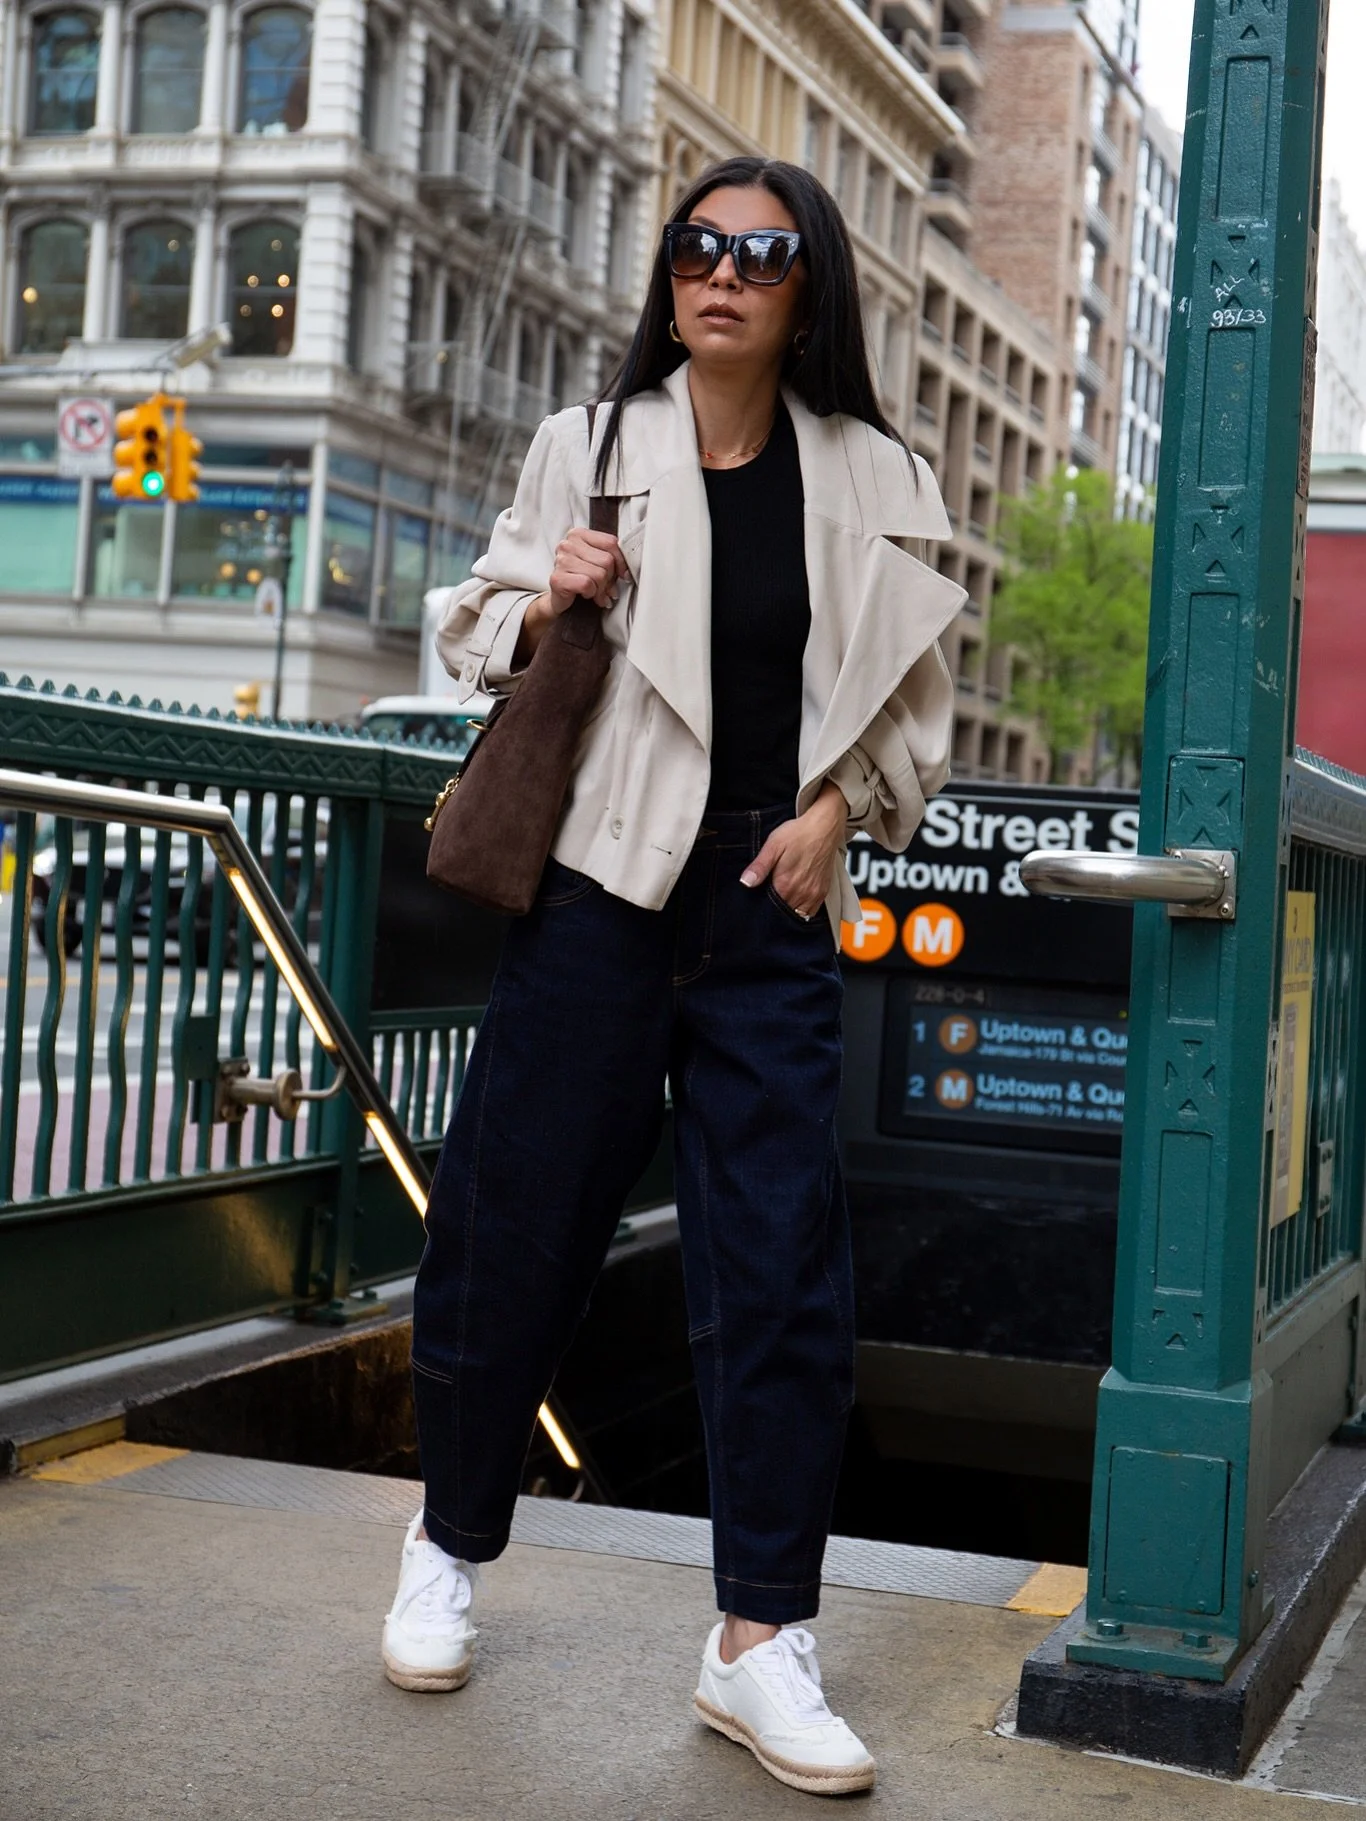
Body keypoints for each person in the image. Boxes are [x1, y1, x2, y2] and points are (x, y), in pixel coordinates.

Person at [382, 155, 964, 1798]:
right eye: (698, 247)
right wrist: (535, 589)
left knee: (779, 1271)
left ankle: (759, 1642)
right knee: (512, 1233)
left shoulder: (871, 470)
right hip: (591, 886)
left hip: (768, 902)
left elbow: (918, 702)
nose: (723, 272)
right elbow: (473, 624)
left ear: (807, 287)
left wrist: (842, 814)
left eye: (761, 253)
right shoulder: (590, 442)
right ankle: (446, 1547)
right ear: (669, 275)